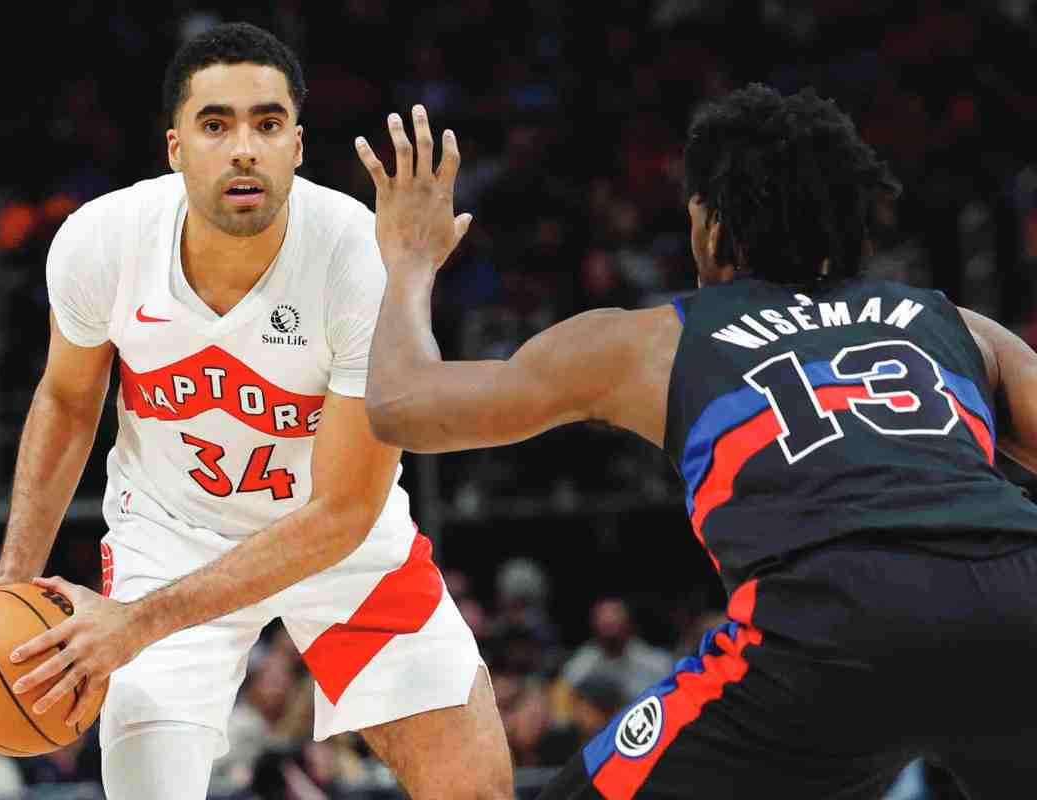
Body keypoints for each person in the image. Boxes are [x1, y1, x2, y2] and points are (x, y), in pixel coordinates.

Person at [355, 85, 1037, 797]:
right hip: (1019, 594)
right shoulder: (956, 324)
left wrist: (409, 261)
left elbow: (403, 405)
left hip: (831, 620)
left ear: (710, 229)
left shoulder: (654, 340)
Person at [0, 22, 510, 800]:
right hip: (172, 537)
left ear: (297, 145)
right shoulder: (102, 242)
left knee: (474, 788)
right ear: (176, 146)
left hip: (339, 547)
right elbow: (68, 398)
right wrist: (14, 577)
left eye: (267, 123)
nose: (243, 146)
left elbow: (345, 512)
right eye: (216, 125)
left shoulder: (359, 258)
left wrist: (137, 623)